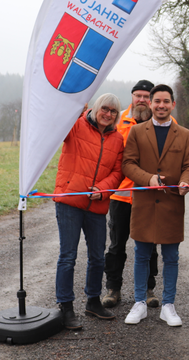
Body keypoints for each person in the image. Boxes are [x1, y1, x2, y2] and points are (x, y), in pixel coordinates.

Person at [121, 84, 189, 327]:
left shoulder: (184, 134)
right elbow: (128, 164)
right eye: (157, 102)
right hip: (144, 203)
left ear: (173, 104)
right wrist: (149, 179)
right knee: (141, 254)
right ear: (151, 104)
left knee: (171, 256)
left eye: (166, 101)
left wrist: (187, 181)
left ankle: (168, 305)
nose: (161, 105)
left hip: (171, 203)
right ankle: (139, 303)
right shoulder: (136, 132)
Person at [53, 93, 124, 330]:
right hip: (69, 202)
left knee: (97, 256)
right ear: (95, 108)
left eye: (113, 111)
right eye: (105, 108)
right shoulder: (76, 125)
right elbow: (59, 129)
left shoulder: (117, 139)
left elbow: (117, 172)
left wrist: (103, 190)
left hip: (96, 205)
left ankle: (93, 301)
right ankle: (65, 306)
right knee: (68, 256)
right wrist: (73, 108)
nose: (108, 114)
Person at [102, 80, 161, 309]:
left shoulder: (164, 123)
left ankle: (148, 289)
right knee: (117, 245)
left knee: (149, 244)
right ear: (132, 97)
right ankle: (113, 288)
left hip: (149, 195)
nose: (142, 100)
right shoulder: (117, 122)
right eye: (138, 95)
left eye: (147, 96)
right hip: (121, 196)